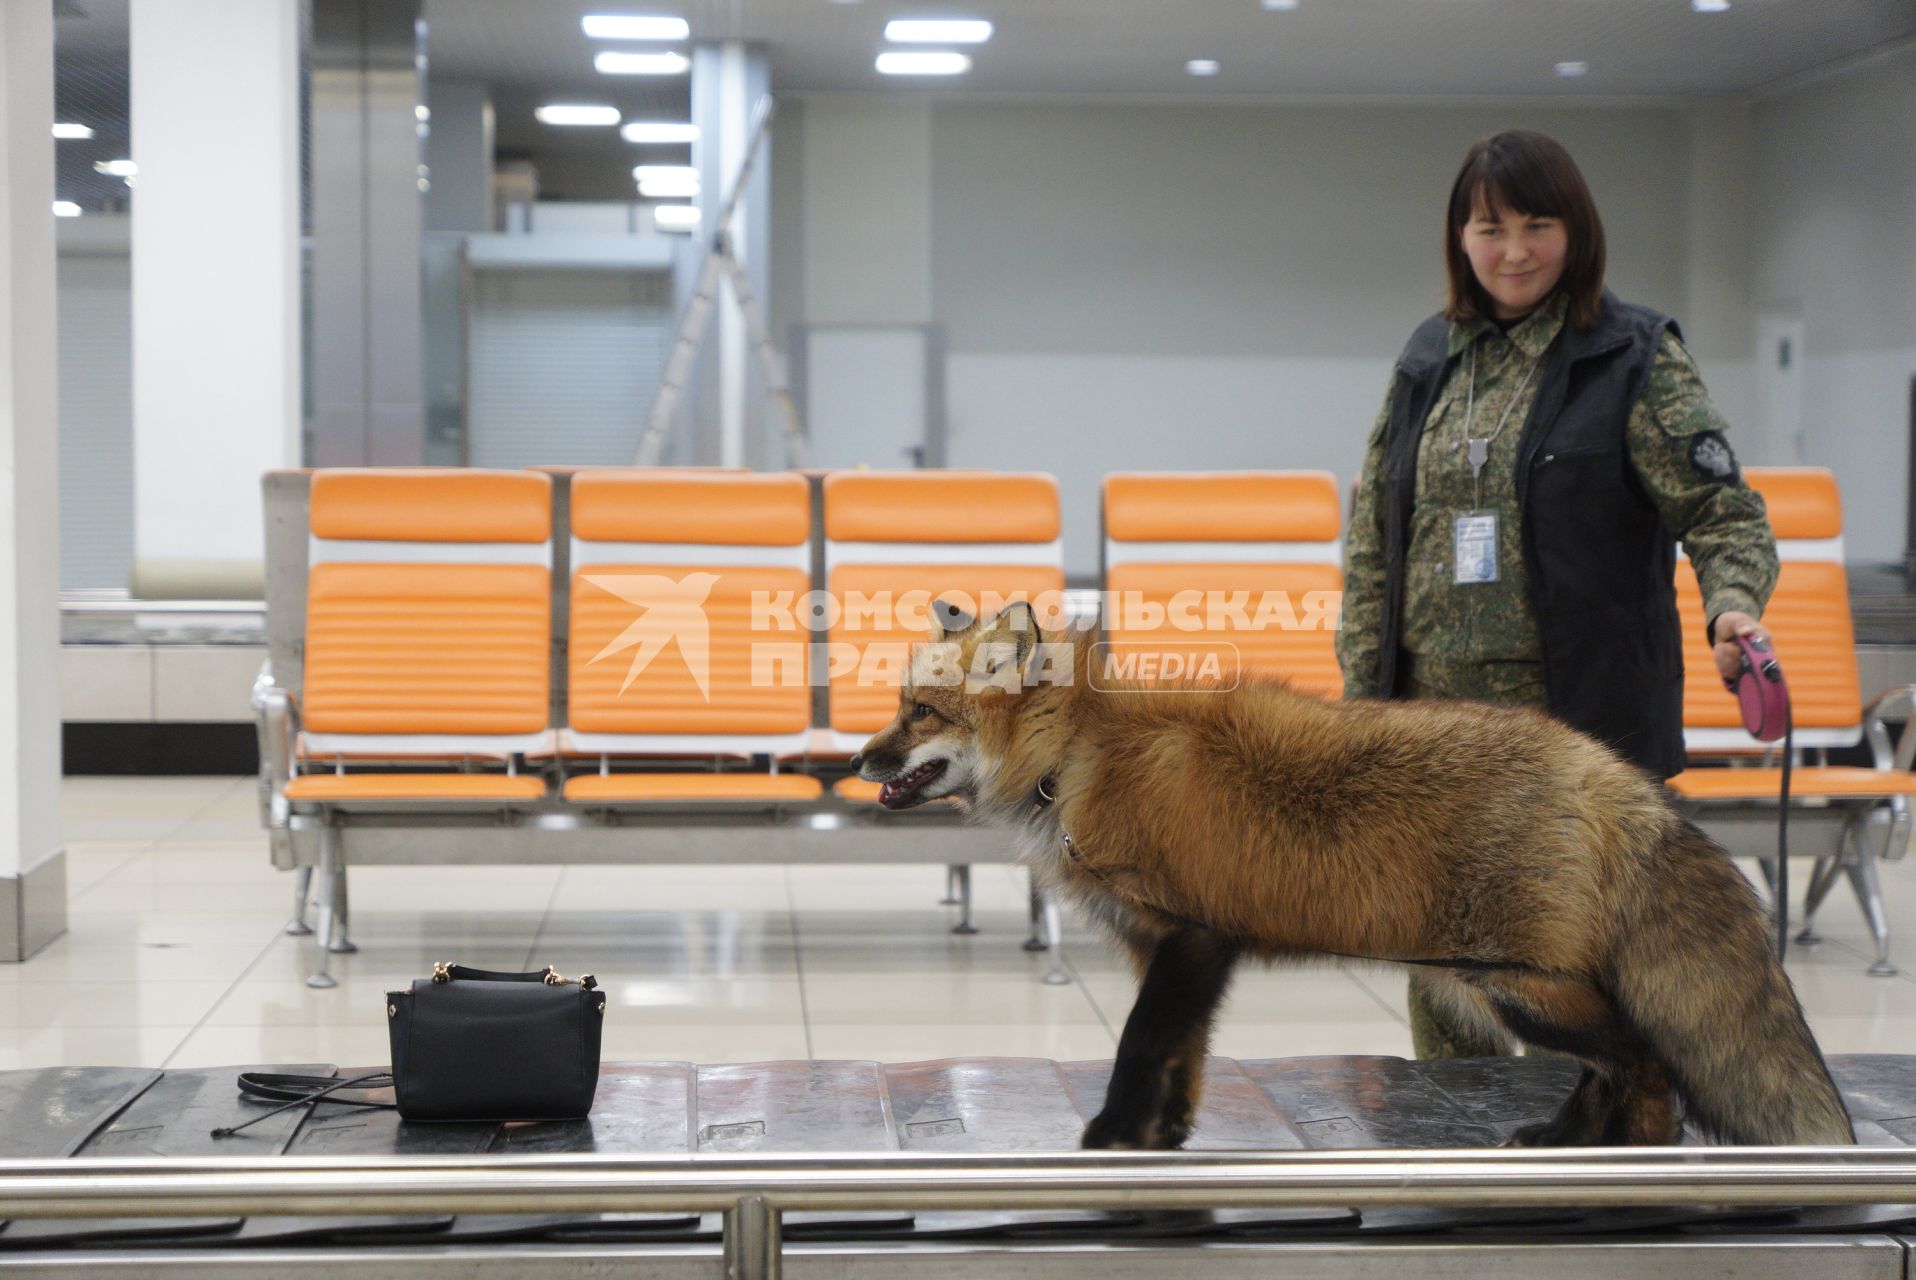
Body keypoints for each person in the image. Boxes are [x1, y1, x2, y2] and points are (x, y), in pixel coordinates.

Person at [1335, 129, 1780, 1060]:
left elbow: (1722, 509)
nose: (1514, 252)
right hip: (1434, 735)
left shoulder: (1632, 357)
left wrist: (1733, 605)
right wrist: (1361, 705)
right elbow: (1375, 537)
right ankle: (1459, 1169)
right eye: (1491, 227)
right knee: (1451, 971)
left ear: (1576, 233)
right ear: (1460, 237)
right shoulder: (1431, 359)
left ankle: (1607, 1161)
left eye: (1539, 225)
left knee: (1578, 980)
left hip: (1576, 731)